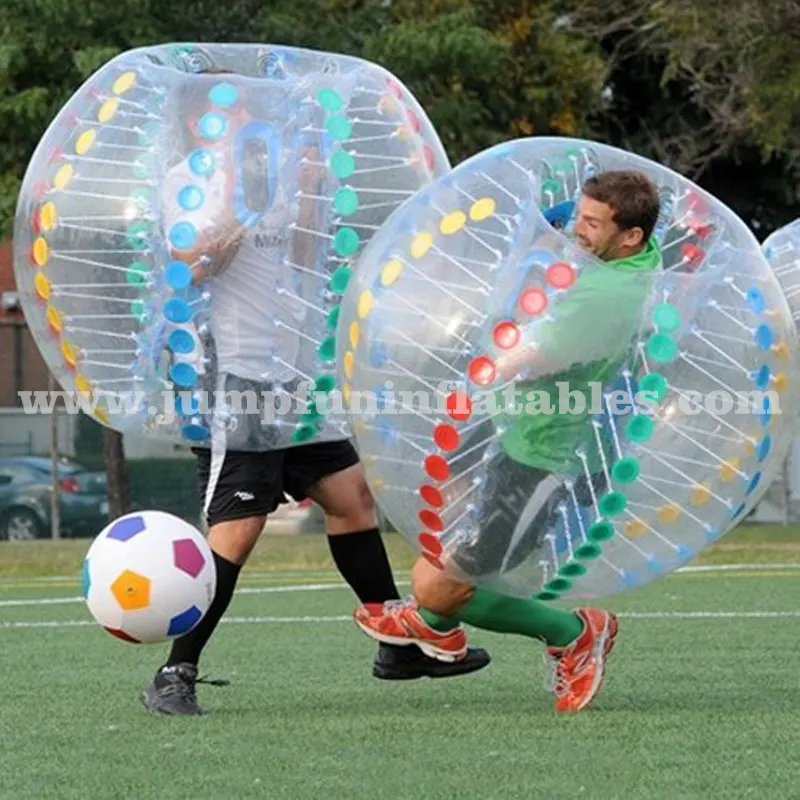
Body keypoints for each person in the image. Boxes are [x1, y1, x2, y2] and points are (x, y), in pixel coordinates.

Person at [142, 68, 490, 716]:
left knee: (352, 499)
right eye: (235, 108)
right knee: (238, 531)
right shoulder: (187, 182)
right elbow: (195, 268)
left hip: (298, 373)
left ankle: (396, 646)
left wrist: (302, 200)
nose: (250, 118)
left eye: (252, 107)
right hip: (235, 375)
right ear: (200, 122)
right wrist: (242, 203)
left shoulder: (276, 173)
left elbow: (300, 258)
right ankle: (174, 671)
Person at [353, 169, 664, 713]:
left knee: (442, 584)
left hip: (542, 460)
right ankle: (433, 628)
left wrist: (486, 367)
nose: (576, 229)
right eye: (577, 215)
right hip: (523, 441)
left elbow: (540, 356)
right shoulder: (630, 260)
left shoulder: (607, 293)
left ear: (630, 235)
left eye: (592, 222)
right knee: (465, 566)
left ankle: (572, 633)